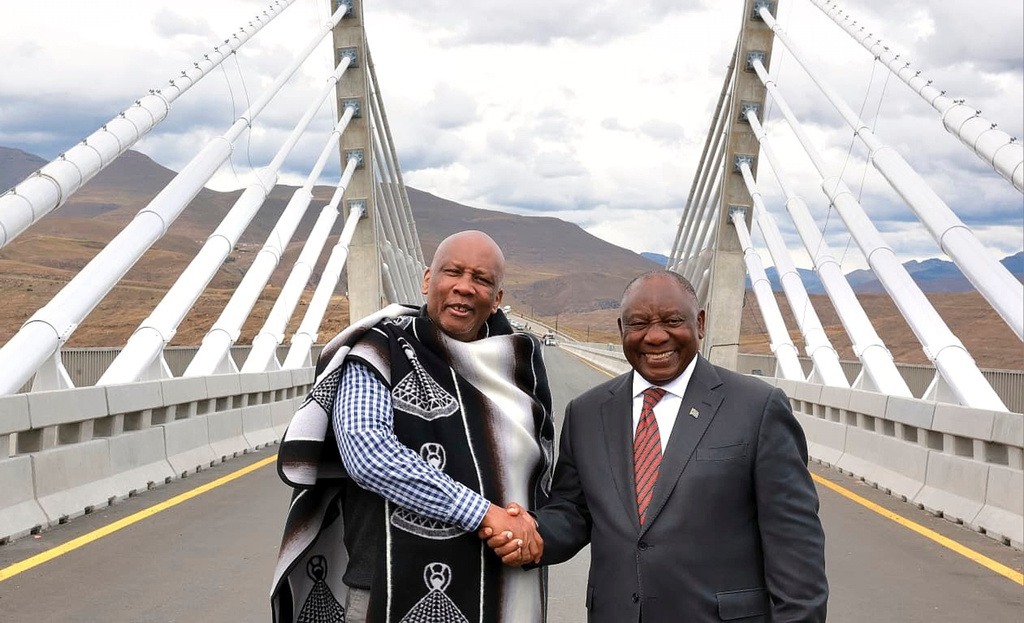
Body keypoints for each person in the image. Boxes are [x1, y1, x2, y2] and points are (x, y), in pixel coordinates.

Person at [485, 270, 827, 622]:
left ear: (701, 323)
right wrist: (530, 534)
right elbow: (574, 512)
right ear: (622, 330)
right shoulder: (587, 412)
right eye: (639, 324)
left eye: (673, 321)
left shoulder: (757, 408)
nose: (656, 336)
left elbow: (796, 548)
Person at [271, 231, 554, 623]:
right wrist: (485, 514)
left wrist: (529, 530)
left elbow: (537, 475)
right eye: (452, 272)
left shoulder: (518, 367)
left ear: (497, 300)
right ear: (426, 280)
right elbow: (368, 454)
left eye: (482, 279)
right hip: (384, 589)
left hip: (494, 588)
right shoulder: (378, 349)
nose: (464, 287)